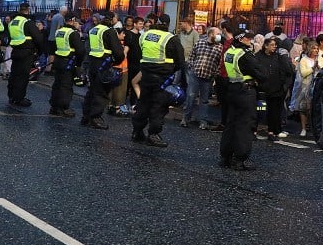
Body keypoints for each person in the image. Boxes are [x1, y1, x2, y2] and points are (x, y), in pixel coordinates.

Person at [132, 13, 185, 147]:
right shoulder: (170, 38)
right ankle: (153, 134)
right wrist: (171, 70)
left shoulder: (145, 35)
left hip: (146, 75)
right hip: (162, 77)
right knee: (158, 106)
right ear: (168, 24)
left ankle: (137, 131)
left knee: (143, 103)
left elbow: (141, 52)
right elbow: (180, 61)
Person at [220, 30, 261, 170]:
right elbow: (260, 72)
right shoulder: (245, 55)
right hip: (245, 92)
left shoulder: (230, 53)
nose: (250, 40)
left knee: (230, 124)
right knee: (244, 125)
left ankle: (226, 157)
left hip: (232, 89)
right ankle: (240, 159)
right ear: (241, 39)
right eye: (248, 38)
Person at [81, 11, 123, 128]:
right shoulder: (109, 31)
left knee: (92, 90)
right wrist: (116, 61)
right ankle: (95, 117)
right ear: (111, 19)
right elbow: (118, 51)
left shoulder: (94, 29)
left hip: (93, 62)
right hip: (104, 63)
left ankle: (86, 116)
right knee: (101, 91)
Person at [183, 26, 223, 129]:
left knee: (204, 100)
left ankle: (203, 121)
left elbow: (220, 63)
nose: (219, 35)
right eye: (217, 33)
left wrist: (214, 74)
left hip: (208, 77)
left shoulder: (219, 47)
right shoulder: (200, 43)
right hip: (195, 74)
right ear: (211, 34)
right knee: (190, 97)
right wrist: (192, 67)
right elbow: (192, 56)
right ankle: (186, 119)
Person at [7, 3, 45, 107]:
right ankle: (19, 99)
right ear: (28, 10)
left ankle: (11, 96)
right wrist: (39, 52)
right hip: (26, 52)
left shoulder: (12, 22)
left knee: (14, 75)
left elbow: (10, 38)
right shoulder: (27, 23)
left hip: (15, 51)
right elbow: (39, 39)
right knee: (22, 77)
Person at [255, 36, 294, 140]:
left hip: (275, 91)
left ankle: (271, 132)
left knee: (273, 112)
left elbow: (286, 71)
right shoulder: (258, 56)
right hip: (262, 91)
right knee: (260, 110)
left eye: (275, 45)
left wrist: (283, 85)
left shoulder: (277, 57)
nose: (274, 47)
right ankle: (254, 130)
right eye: (272, 45)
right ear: (265, 46)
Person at [50, 15, 86, 117]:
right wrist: (78, 64)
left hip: (58, 60)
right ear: (73, 20)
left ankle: (54, 106)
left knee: (57, 84)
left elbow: (54, 46)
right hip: (69, 61)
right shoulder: (73, 33)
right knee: (66, 86)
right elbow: (80, 50)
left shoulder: (59, 31)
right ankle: (64, 107)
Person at [290, 39, 321, 137]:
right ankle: (303, 128)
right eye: (314, 48)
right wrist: (313, 68)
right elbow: (303, 73)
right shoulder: (304, 60)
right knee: (304, 108)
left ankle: (313, 128)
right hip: (305, 87)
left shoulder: (319, 59)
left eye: (317, 48)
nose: (316, 50)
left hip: (316, 87)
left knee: (313, 109)